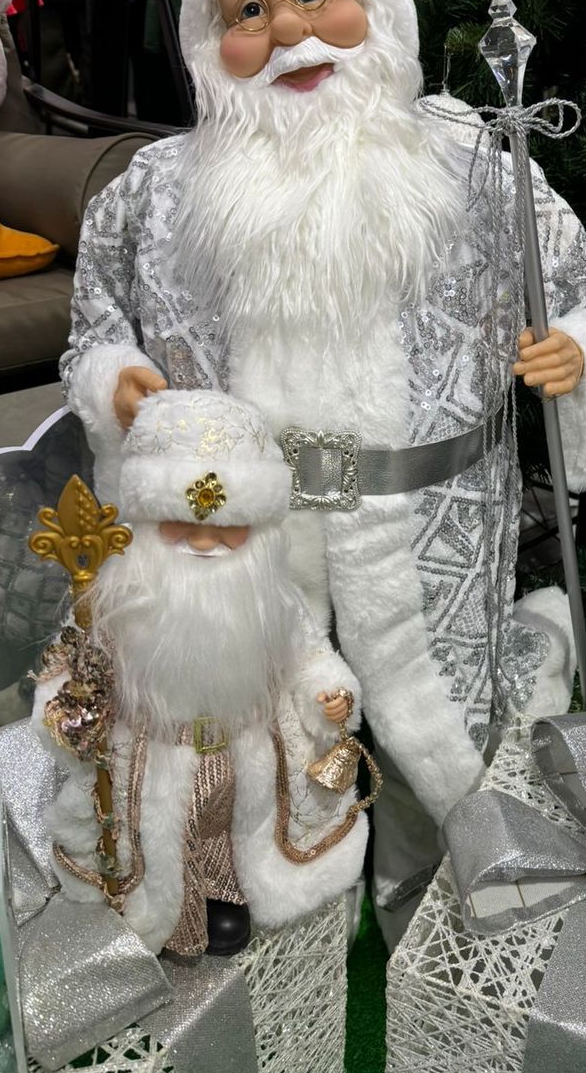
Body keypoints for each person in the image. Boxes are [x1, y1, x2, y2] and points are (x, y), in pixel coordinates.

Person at [59, 0, 586, 942]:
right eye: (249, 10)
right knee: (265, 726)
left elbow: (578, 289)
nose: (288, 29)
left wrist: (576, 349)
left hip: (428, 519)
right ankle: (293, 909)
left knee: (439, 722)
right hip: (243, 532)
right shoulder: (157, 190)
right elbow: (95, 325)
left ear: (375, 5)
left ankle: (432, 908)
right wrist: (116, 377)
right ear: (210, 43)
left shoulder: (470, 159)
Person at [33, 390, 369, 957]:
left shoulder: (272, 597)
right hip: (150, 756)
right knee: (155, 834)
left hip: (245, 750)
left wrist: (327, 692)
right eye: (183, 523)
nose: (206, 542)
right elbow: (66, 670)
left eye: (226, 526)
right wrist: (68, 711)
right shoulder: (115, 596)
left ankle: (225, 891)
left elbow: (309, 654)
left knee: (237, 824)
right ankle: (167, 906)